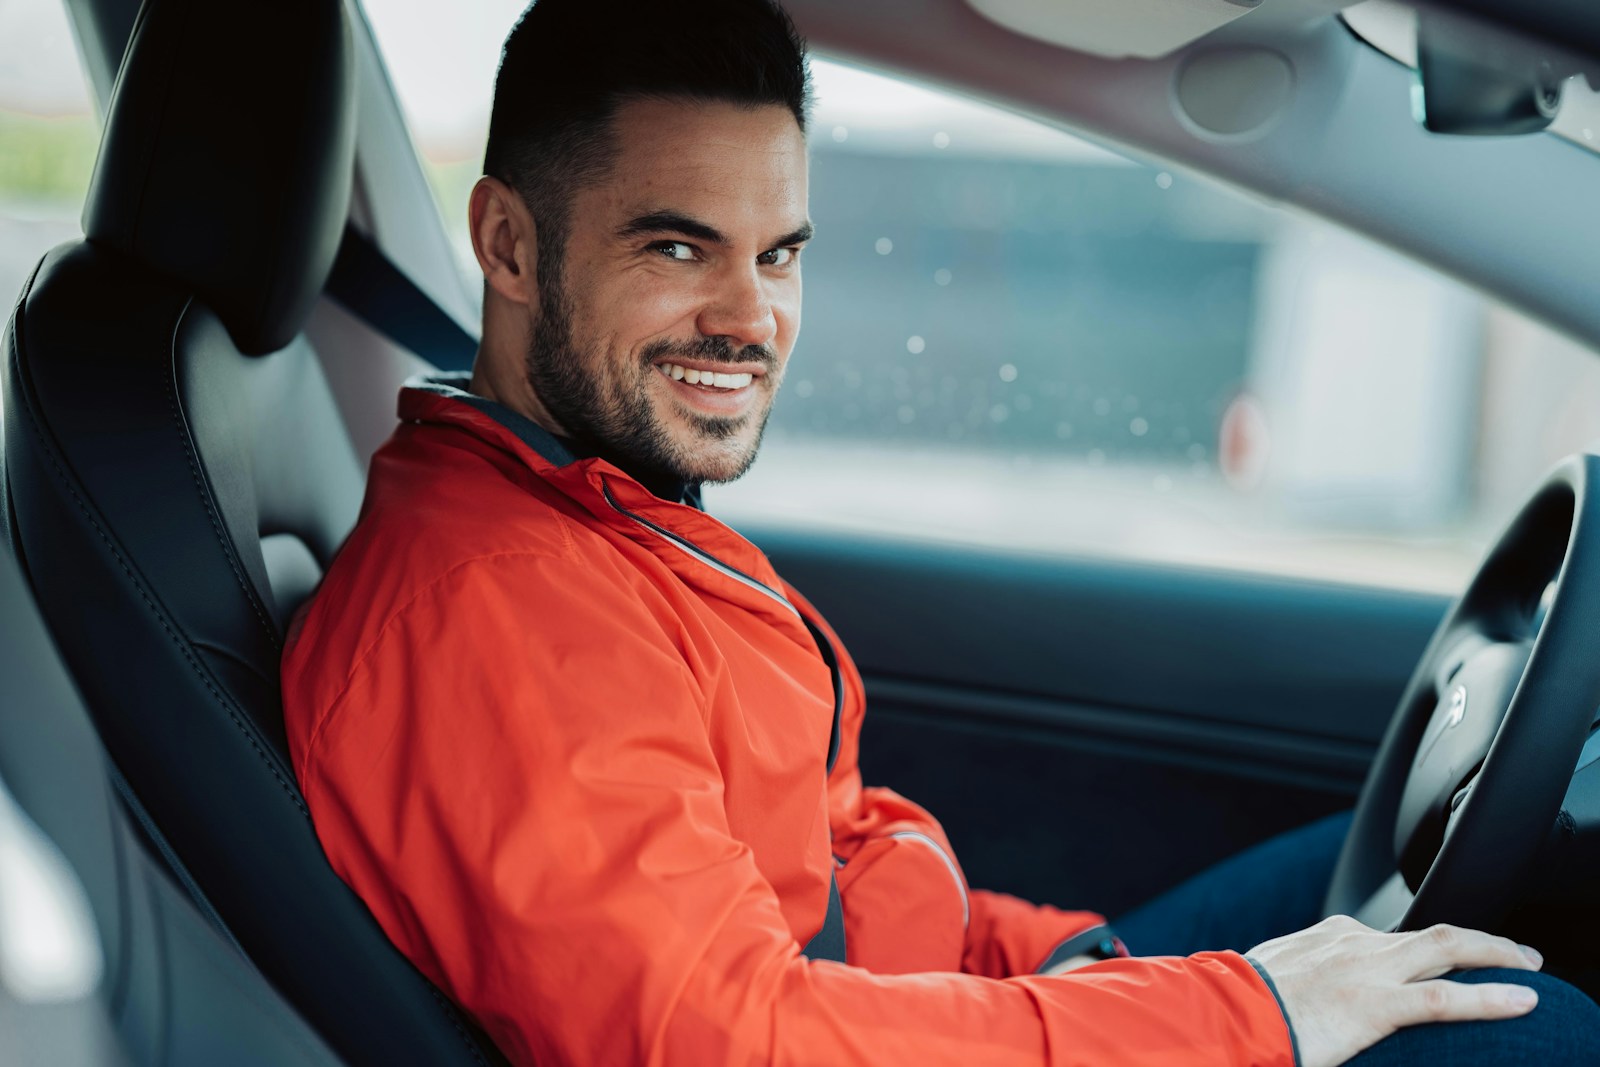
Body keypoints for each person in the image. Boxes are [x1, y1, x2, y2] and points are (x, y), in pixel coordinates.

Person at [279, 1, 1597, 1064]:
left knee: (1439, 881)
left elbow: (835, 892)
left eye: (780, 253)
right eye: (679, 249)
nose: (750, 317)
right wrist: (1242, 1018)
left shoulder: (590, 512)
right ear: (509, 243)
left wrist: (1080, 976)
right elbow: (729, 1043)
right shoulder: (498, 609)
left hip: (920, 1013)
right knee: (1538, 1032)